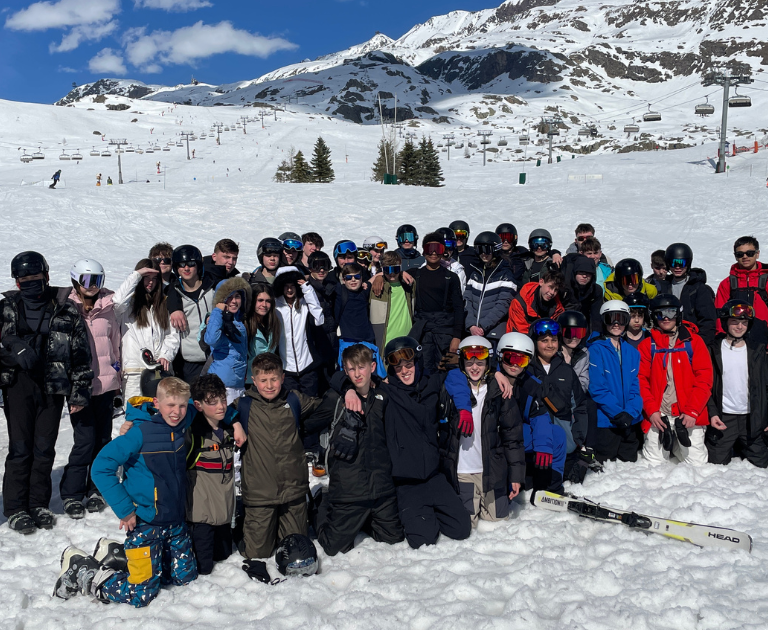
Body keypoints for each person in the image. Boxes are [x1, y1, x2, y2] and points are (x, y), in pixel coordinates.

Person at [56, 377, 242, 606]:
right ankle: (84, 570)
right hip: (145, 522)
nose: (177, 412)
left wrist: (235, 422)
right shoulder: (139, 433)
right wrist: (125, 510)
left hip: (176, 524)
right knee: (142, 594)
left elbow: (209, 409)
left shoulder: (186, 418)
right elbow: (101, 467)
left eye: (182, 405)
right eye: (170, 405)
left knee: (186, 580)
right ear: (157, 402)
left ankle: (115, 553)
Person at [0, 252, 93, 534]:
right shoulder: (7, 307)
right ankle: (15, 508)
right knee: (20, 448)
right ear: (16, 283)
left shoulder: (65, 308)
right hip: (18, 387)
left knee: (44, 447)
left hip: (53, 386)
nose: (30, 284)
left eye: (35, 279)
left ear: (47, 276)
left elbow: (80, 355)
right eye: (24, 280)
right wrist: (13, 351)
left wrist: (79, 393)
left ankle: (38, 502)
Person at [357, 336, 471, 549]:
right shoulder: (385, 391)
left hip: (434, 477)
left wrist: (499, 376)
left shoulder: (431, 385)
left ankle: (431, 510)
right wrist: (346, 389)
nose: (404, 371)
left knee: (461, 529)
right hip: (407, 482)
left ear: (417, 362)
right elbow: (348, 377)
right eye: (398, 367)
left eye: (409, 364)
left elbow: (456, 374)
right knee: (423, 540)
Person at [305, 344, 404, 555]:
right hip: (350, 490)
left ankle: (365, 519)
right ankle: (320, 503)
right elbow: (307, 427)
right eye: (351, 369)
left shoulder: (383, 398)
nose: (357, 374)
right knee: (334, 548)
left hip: (381, 489)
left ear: (373, 367)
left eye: (361, 367)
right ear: (345, 371)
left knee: (394, 540)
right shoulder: (336, 399)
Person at [238, 353, 321, 559]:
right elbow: (214, 413)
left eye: (274, 379)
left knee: (296, 549)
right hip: (260, 494)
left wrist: (347, 390)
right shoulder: (243, 406)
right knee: (257, 553)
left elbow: (326, 405)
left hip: (292, 492)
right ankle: (242, 527)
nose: (269, 385)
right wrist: (233, 422)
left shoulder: (294, 399)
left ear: (282, 377)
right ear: (253, 379)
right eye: (263, 380)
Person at [60, 259, 121, 519]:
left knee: (103, 440)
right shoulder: (67, 307)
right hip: (81, 387)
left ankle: (96, 488)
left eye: (97, 281)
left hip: (106, 384)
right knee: (84, 441)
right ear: (76, 281)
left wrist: (118, 377)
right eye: (86, 281)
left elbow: (115, 341)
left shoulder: (108, 308)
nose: (92, 287)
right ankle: (72, 493)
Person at [442, 337, 524, 526]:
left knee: (498, 520)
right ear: (462, 363)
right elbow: (447, 376)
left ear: (488, 362)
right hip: (464, 471)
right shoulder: (452, 389)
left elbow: (513, 437)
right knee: (467, 524)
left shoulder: (499, 390)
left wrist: (516, 476)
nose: (475, 367)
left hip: (492, 471)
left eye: (480, 362)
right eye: (469, 362)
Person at [638, 294, 713, 466]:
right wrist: (651, 411)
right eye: (659, 314)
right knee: (653, 464)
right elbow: (641, 380)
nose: (665, 318)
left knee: (696, 465)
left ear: (678, 314)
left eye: (670, 313)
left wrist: (692, 411)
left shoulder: (693, 342)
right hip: (659, 413)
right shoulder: (648, 346)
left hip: (687, 413)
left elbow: (705, 380)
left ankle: (677, 446)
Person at [186, 374, 245, 574]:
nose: (220, 406)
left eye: (223, 399)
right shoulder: (193, 432)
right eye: (212, 402)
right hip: (201, 518)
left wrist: (236, 423)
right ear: (199, 404)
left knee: (225, 558)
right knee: (204, 569)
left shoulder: (228, 428)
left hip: (224, 515)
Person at [496, 332, 567, 495]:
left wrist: (544, 446)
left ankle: (550, 484)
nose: (515, 365)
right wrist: (495, 374)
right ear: (500, 356)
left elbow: (540, 415)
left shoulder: (530, 385)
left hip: (516, 433)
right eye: (510, 358)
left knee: (556, 434)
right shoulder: (491, 377)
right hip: (495, 435)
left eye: (521, 360)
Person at [527, 319, 591, 484]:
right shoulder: (526, 369)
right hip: (536, 446)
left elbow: (580, 407)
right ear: (535, 342)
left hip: (565, 445)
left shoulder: (566, 371)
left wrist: (577, 439)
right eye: (544, 341)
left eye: (554, 340)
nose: (550, 345)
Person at [706, 300, 768, 468]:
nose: (740, 326)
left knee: (762, 464)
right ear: (726, 322)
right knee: (716, 465)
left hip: (752, 419)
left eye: (744, 322)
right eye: (735, 322)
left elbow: (766, 386)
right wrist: (712, 413)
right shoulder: (713, 350)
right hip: (724, 418)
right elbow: (706, 386)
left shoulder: (758, 351)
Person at [112, 259, 179, 400]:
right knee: (136, 417)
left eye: (155, 279)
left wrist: (165, 355)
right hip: (134, 372)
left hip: (160, 372)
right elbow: (117, 302)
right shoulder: (128, 306)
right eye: (146, 278)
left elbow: (172, 335)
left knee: (160, 416)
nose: (151, 282)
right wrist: (136, 275)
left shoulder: (162, 304)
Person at [589, 301, 644, 463]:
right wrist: (617, 413)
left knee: (629, 470)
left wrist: (630, 413)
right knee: (606, 470)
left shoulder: (633, 353)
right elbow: (597, 387)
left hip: (630, 421)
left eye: (620, 318)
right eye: (610, 318)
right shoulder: (595, 349)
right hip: (607, 422)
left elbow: (636, 387)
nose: (616, 323)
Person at [409, 232, 464, 373]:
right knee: (424, 372)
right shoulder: (415, 274)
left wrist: (456, 337)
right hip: (423, 333)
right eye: (429, 249)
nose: (433, 253)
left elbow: (459, 308)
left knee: (445, 372)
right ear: (423, 251)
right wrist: (378, 277)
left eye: (437, 249)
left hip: (445, 334)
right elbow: (390, 274)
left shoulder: (451, 277)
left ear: (443, 251)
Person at [273, 266, 325, 396]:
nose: (289, 289)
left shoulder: (304, 303)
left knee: (311, 403)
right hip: (286, 367)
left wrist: (307, 289)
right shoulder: (275, 306)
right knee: (292, 404)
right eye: (286, 286)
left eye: (293, 285)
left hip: (307, 365)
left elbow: (319, 318)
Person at [167, 245, 214, 384]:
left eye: (191, 264)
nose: (186, 268)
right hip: (190, 361)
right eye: (181, 265)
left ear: (198, 265)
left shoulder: (212, 287)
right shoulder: (174, 293)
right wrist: (173, 308)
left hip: (215, 357)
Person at [464, 231, 517, 346]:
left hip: (493, 333)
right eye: (479, 249)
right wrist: (471, 325)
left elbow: (503, 304)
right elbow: (467, 300)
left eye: (487, 249)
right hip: (472, 332)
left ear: (496, 250)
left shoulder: (505, 274)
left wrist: (483, 326)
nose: (484, 254)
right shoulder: (475, 274)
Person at [657, 243, 716, 344]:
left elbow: (708, 321)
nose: (677, 267)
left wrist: (698, 343)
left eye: (681, 263)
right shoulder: (662, 287)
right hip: (667, 341)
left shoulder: (698, 289)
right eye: (673, 263)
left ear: (688, 263)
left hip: (692, 341)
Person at [204, 277, 251, 403]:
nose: (234, 301)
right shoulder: (218, 320)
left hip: (238, 382)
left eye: (237, 296)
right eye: (229, 297)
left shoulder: (240, 321)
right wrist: (217, 311)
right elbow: (211, 339)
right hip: (222, 384)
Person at [715, 236, 768, 331]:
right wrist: (721, 337)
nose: (745, 257)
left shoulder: (766, 280)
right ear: (735, 256)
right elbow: (719, 314)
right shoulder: (727, 283)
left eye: (750, 253)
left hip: (764, 339)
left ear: (757, 254)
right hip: (736, 339)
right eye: (740, 254)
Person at [369, 251, 414, 357]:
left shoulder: (409, 284)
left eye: (395, 269)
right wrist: (378, 276)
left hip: (407, 339)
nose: (392, 274)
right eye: (387, 270)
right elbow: (363, 286)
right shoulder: (377, 287)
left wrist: (402, 272)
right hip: (384, 341)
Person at [506, 270, 565, 335]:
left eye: (556, 290)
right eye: (550, 287)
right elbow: (521, 331)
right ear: (541, 282)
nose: (552, 293)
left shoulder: (557, 306)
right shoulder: (520, 302)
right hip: (519, 339)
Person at [244, 282, 280, 387]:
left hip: (268, 379)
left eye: (268, 301)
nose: (264, 305)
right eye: (260, 300)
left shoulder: (273, 323)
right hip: (249, 380)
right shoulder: (245, 323)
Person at [334, 262, 375, 345]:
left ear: (361, 278)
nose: (353, 280)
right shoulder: (340, 291)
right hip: (347, 341)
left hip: (367, 341)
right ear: (343, 280)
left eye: (357, 277)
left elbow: (377, 276)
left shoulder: (364, 291)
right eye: (349, 277)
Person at [561, 253, 603, 334]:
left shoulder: (596, 291)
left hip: (584, 326)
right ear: (575, 273)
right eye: (581, 272)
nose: (584, 276)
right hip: (564, 325)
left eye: (588, 273)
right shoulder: (564, 289)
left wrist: (595, 335)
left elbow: (596, 317)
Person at [557, 310, 589, 393]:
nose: (574, 338)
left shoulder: (584, 354)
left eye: (579, 333)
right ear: (560, 332)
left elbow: (584, 381)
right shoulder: (553, 354)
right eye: (569, 333)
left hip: (575, 401)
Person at [494, 223, 526, 288]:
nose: (505, 241)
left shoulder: (522, 254)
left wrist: (552, 253)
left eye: (509, 238)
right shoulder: (493, 256)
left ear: (515, 239)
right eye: (502, 238)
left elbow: (540, 254)